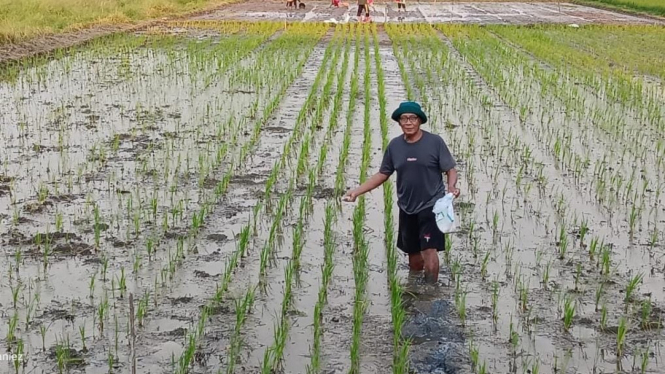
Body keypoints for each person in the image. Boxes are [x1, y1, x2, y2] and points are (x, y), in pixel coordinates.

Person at [343, 102, 459, 283]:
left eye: (412, 118)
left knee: (429, 250)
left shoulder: (435, 142)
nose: (408, 122)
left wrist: (451, 187)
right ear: (399, 122)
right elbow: (383, 174)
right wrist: (357, 191)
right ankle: (414, 289)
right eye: (404, 118)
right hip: (407, 206)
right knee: (412, 255)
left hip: (431, 205)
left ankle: (430, 291)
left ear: (420, 121)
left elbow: (450, 169)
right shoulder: (395, 146)